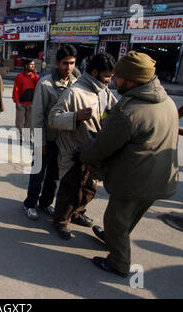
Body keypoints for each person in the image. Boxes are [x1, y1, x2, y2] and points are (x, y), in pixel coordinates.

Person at [80, 51, 179, 277]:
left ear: (132, 80)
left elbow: (102, 147)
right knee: (131, 216)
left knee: (115, 220)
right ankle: (115, 240)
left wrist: (85, 156)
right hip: (161, 177)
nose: (114, 81)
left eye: (119, 77)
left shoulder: (129, 111)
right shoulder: (167, 101)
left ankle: (118, 262)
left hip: (134, 179)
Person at [48, 53, 117, 240]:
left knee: (89, 189)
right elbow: (53, 119)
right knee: (70, 189)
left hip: (94, 152)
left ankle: (77, 213)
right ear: (94, 72)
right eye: (107, 76)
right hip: (73, 152)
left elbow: (116, 113)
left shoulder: (104, 92)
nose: (110, 80)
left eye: (111, 76)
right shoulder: (74, 92)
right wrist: (75, 117)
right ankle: (61, 221)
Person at [23, 45, 78, 220]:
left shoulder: (75, 83)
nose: (68, 67)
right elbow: (37, 115)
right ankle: (30, 204)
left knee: (54, 177)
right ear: (57, 63)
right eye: (65, 63)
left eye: (72, 63)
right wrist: (40, 142)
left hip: (63, 141)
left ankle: (45, 203)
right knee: (38, 174)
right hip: (45, 138)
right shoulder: (45, 84)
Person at [12, 59, 40, 142]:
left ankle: (28, 137)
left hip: (31, 104)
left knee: (29, 123)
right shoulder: (19, 77)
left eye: (33, 65)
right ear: (26, 65)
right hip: (21, 103)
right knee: (19, 122)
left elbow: (39, 86)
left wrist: (36, 76)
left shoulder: (35, 77)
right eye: (31, 64)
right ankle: (20, 137)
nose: (33, 66)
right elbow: (16, 90)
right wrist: (16, 101)